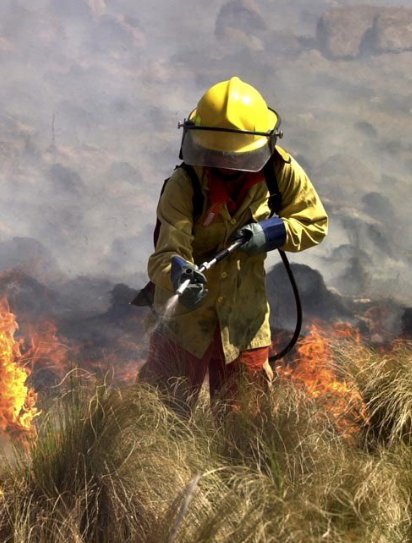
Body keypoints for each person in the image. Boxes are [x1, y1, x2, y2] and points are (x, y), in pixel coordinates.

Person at [138, 76, 328, 415]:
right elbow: (164, 256)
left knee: (245, 426)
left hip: (245, 321)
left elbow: (314, 223)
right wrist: (180, 273)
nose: (225, 165)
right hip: (183, 323)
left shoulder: (279, 172)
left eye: (234, 157)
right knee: (162, 417)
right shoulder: (185, 185)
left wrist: (272, 233)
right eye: (216, 154)